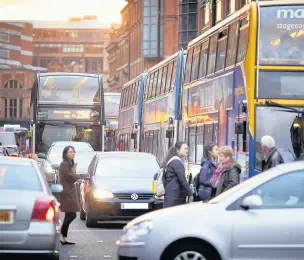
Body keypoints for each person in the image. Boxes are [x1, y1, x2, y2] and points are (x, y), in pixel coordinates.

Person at [59, 146, 80, 245]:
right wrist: (79, 175)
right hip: (67, 192)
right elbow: (70, 177)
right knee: (72, 214)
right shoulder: (64, 164)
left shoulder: (69, 163)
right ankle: (61, 234)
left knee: (69, 214)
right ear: (65, 154)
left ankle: (64, 236)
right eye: (70, 152)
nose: (72, 154)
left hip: (69, 191)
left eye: (73, 152)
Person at [162, 141, 193, 208]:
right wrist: (190, 193)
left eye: (187, 149)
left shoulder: (171, 160)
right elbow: (183, 180)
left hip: (170, 195)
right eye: (185, 149)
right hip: (176, 197)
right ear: (177, 150)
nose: (187, 151)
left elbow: (164, 180)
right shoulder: (177, 162)